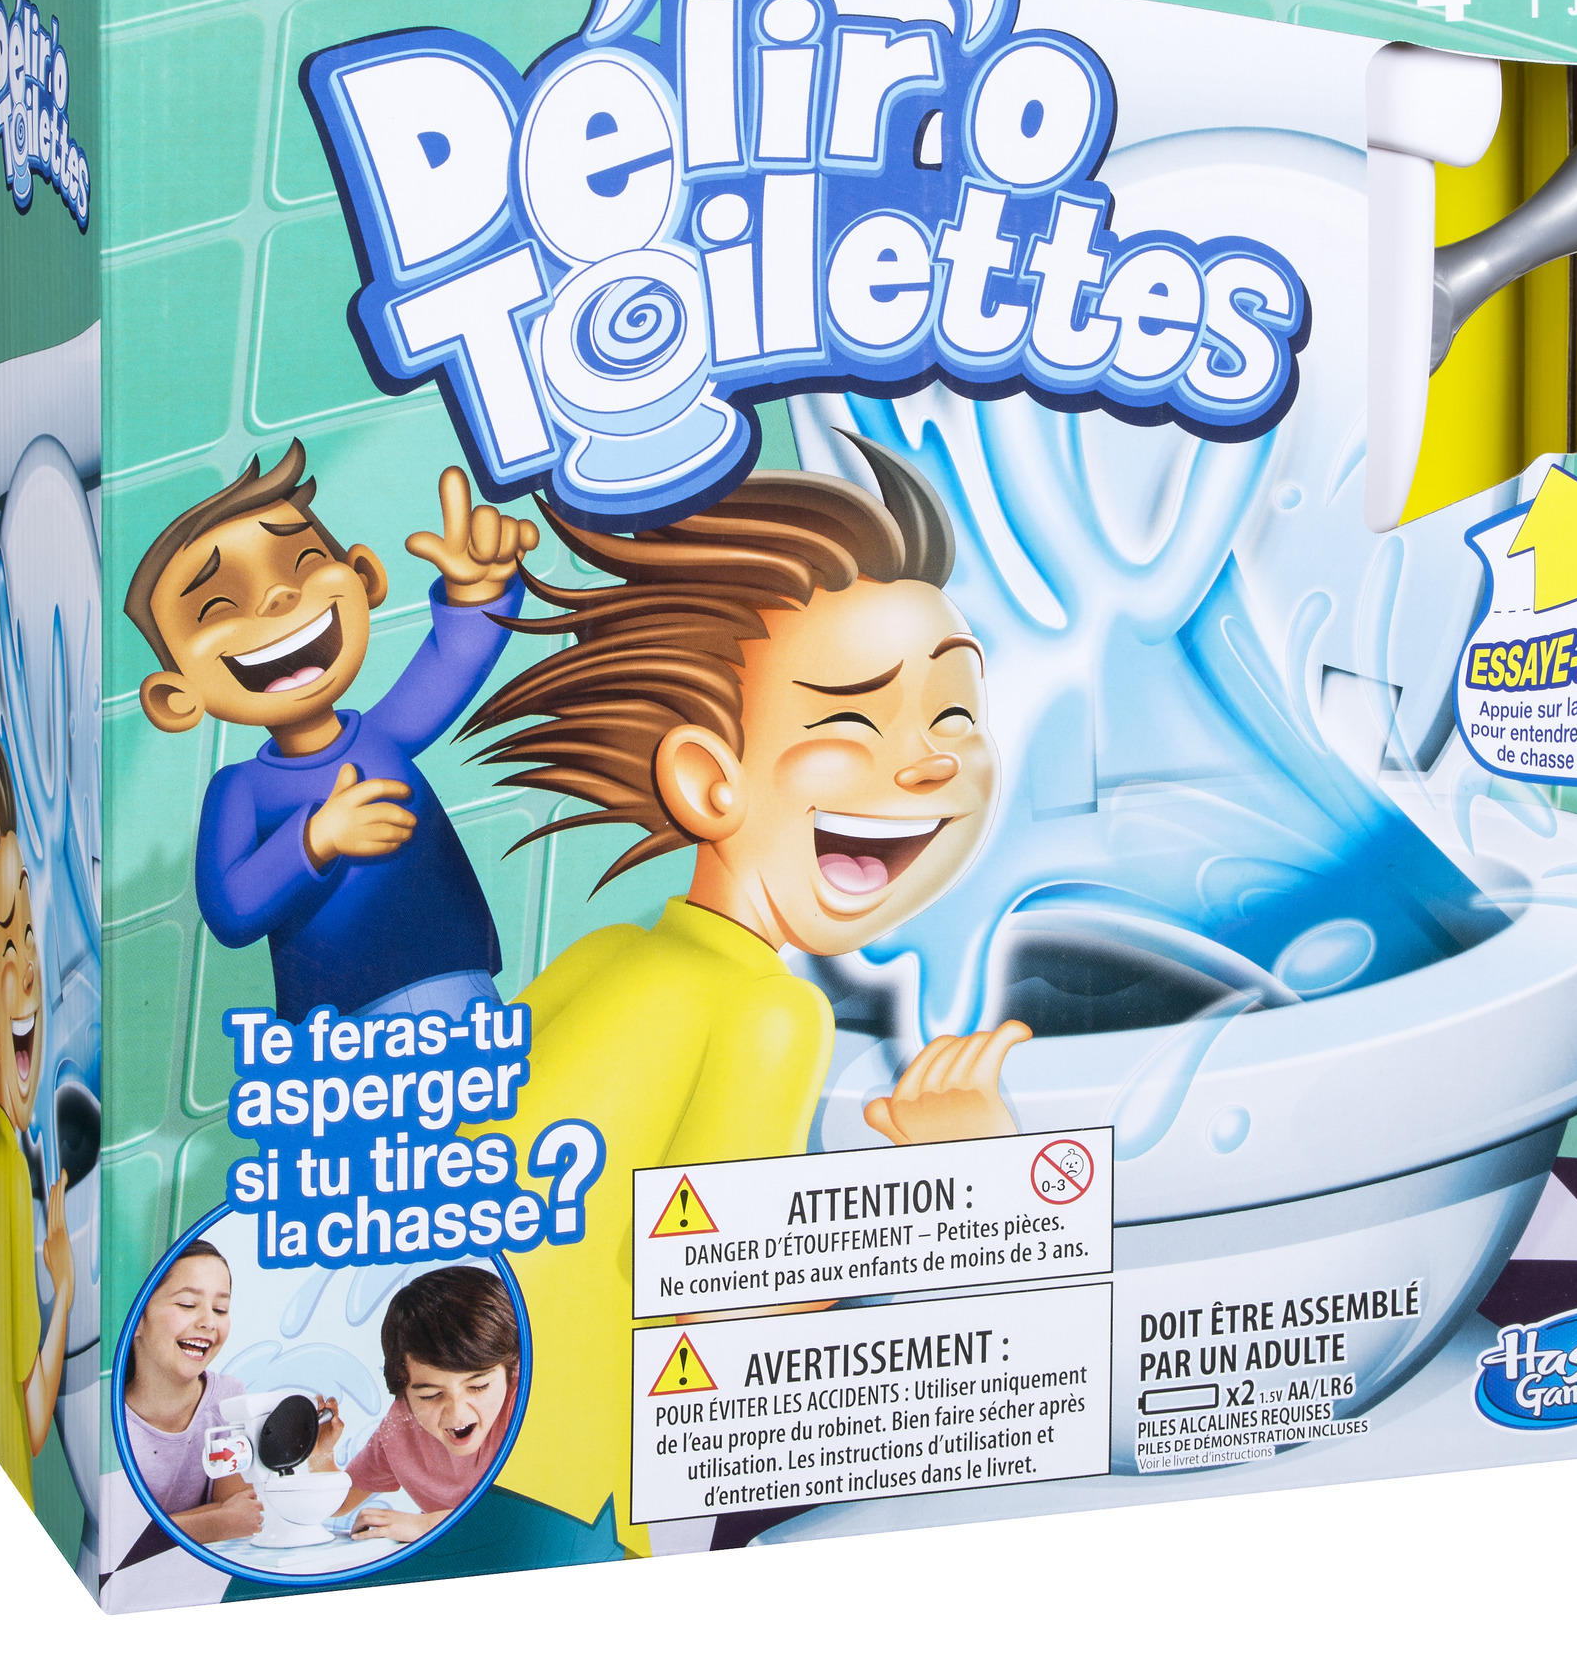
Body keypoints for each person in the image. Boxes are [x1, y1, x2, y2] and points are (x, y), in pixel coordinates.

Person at [456, 439, 1032, 1553]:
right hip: (561, 1491)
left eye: (955, 715)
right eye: (853, 721)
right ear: (705, 779)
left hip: (422, 1435)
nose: (928, 763)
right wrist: (962, 1186)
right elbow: (737, 1316)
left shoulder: (605, 958)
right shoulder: (769, 1013)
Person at [125, 441, 540, 1024]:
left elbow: (451, 663)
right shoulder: (241, 790)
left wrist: (478, 594)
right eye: (217, 606)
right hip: (332, 1030)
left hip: (451, 984)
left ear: (365, 578)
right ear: (175, 698)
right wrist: (317, 837)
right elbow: (230, 910)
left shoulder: (384, 735)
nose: (279, 596)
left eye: (301, 562)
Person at [0, 732, 73, 1505]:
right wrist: (65, 1290)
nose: (24, 981)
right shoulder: (0, 1162)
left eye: (23, 937)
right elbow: (32, 1421)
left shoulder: (5, 1152)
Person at [313, 1267, 524, 1544]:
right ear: (403, 1390)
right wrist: (321, 1453)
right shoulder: (401, 1427)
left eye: (478, 1387)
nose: (457, 1413)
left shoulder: (527, 1405)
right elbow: (338, 1503)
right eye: (431, 1395)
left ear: (512, 1370)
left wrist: (427, 1525)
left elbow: (536, 1521)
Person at [121, 1241, 261, 1544]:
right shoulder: (109, 1419)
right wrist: (214, 1522)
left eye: (220, 1309)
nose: (208, 1322)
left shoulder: (229, 1400)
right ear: (135, 1318)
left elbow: (241, 1513)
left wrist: (160, 1530)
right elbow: (117, 1538)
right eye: (187, 1305)